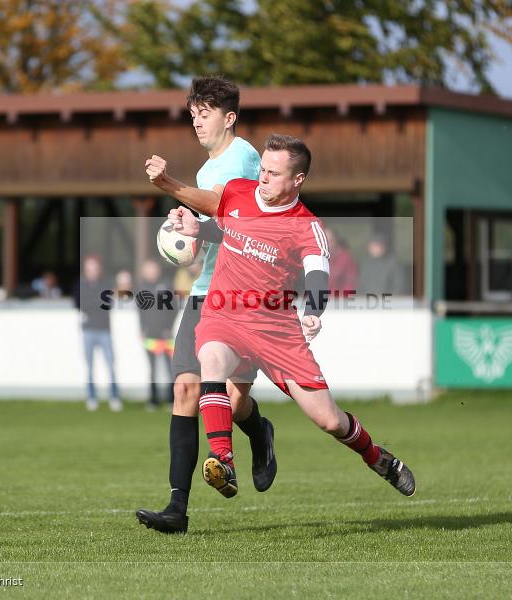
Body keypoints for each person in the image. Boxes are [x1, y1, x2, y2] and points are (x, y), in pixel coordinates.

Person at [156, 133, 415, 504]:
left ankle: (378, 458)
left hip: (276, 331)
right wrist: (198, 228)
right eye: (263, 169)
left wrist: (313, 311)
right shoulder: (237, 191)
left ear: (298, 179)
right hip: (225, 315)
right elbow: (229, 228)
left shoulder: (306, 227)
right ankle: (223, 460)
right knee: (210, 359)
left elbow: (318, 276)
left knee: (329, 420)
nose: (263, 178)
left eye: (274, 173)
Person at [135, 76, 277, 535]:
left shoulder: (245, 156)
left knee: (233, 402)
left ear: (229, 118)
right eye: (193, 113)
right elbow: (206, 233)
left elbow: (222, 208)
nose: (197, 121)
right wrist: (182, 226)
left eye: (205, 113)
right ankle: (177, 508)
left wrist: (169, 185)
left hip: (244, 295)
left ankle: (259, 430)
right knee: (185, 390)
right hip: (205, 292)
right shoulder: (203, 171)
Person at [72, 255, 122, 412]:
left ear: (98, 269)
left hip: (105, 330)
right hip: (88, 330)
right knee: (89, 366)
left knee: (110, 364)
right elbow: (79, 303)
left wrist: (93, 302)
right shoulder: (80, 285)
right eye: (89, 268)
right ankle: (92, 397)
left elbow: (107, 303)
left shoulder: (106, 284)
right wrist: (96, 302)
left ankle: (114, 397)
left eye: (94, 267)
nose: (92, 271)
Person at [137, 260, 176, 410]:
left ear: (158, 270)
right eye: (148, 270)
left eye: (153, 270)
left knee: (170, 368)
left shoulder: (167, 285)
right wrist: (142, 329)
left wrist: (169, 327)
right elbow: (140, 311)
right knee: (152, 369)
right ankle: (153, 400)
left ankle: (171, 399)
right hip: (150, 336)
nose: (151, 273)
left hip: (165, 335)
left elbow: (174, 308)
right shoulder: (142, 288)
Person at [324, 226, 358, 296]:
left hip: (339, 300)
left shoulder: (346, 258)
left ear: (336, 240)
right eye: (324, 240)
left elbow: (350, 283)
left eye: (330, 240)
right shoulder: (317, 259)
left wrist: (341, 298)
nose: (327, 243)